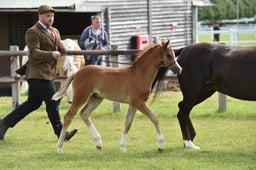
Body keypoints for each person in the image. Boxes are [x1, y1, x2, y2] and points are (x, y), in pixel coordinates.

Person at [0, 5, 78, 140]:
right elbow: (34, 52)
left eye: (52, 16)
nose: (51, 18)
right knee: (53, 101)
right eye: (48, 16)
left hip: (47, 73)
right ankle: (61, 133)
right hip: (37, 74)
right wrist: (51, 54)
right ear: (40, 16)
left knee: (32, 104)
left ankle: (4, 123)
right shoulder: (33, 32)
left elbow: (59, 49)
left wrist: (62, 48)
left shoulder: (55, 31)